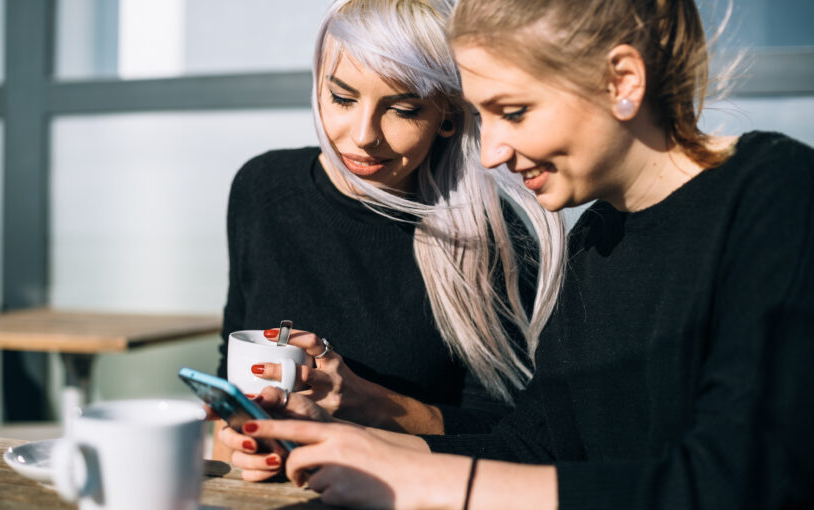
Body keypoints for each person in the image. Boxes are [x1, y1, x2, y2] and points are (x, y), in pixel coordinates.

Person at [219, 0, 814, 508]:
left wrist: (419, 475)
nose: (490, 154)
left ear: (624, 81)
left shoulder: (773, 192)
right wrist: (347, 444)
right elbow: (530, 450)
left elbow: (737, 481)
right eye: (482, 117)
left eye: (514, 111)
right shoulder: (597, 238)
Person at [213, 0, 566, 464]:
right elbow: (228, 371)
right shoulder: (262, 187)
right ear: (318, 83)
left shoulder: (495, 231)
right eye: (341, 97)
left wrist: (369, 403)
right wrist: (245, 438)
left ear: (447, 114)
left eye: (401, 109)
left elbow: (514, 436)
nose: (363, 135)